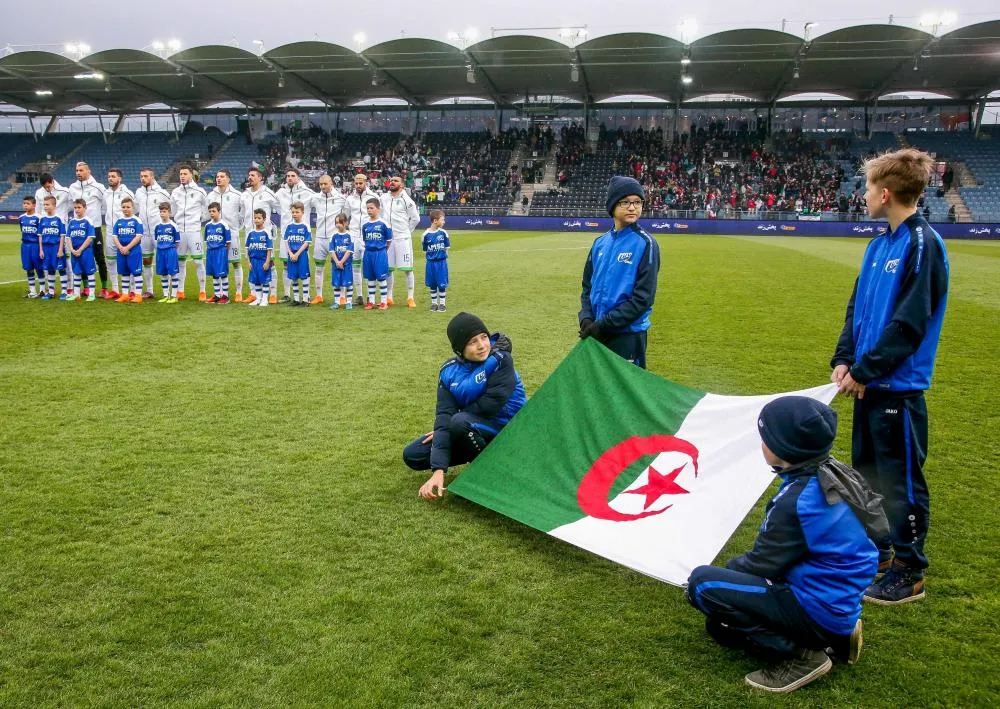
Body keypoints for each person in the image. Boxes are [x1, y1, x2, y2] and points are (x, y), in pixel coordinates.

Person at [687, 396, 886, 693]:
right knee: (719, 628)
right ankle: (837, 638)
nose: (761, 444)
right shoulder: (830, 470)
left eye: (765, 438)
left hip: (819, 604)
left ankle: (802, 656)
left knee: (703, 585)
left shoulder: (798, 499)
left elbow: (762, 563)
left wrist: (725, 573)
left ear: (783, 448)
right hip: (837, 598)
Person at [831, 148, 950, 605]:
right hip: (866, 384)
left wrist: (867, 369)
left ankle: (909, 570)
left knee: (899, 482)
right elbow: (856, 308)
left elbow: (910, 323)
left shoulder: (922, 244)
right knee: (867, 476)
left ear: (885, 194)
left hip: (896, 388)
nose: (862, 196)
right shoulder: (878, 244)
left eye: (866, 188)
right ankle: (879, 553)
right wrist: (845, 358)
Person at [403, 312, 527, 500]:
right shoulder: (449, 371)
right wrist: (438, 470)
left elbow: (489, 406)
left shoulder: (501, 359)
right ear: (459, 349)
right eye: (472, 342)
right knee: (414, 454)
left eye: (484, 337)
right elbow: (444, 415)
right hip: (472, 428)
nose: (482, 345)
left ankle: (494, 471)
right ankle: (483, 456)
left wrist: (452, 425)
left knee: (459, 422)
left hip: (511, 431)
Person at [578, 176, 661, 368]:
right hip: (596, 332)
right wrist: (586, 317)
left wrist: (604, 324)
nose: (632, 207)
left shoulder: (646, 243)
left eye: (637, 202)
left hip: (627, 335)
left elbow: (643, 299)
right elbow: (587, 287)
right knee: (595, 385)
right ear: (613, 205)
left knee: (623, 388)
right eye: (625, 202)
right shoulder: (600, 243)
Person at [68, 162, 110, 298]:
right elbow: (70, 204)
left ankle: (104, 288)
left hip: (94, 227)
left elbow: (105, 206)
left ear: (88, 171)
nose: (78, 173)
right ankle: (86, 288)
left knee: (99, 258)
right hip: (79, 229)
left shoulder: (98, 187)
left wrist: (94, 218)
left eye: (81, 170)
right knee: (80, 257)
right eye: (76, 170)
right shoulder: (72, 188)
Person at [275, 168, 315, 304]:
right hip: (287, 234)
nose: (290, 178)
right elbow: (274, 206)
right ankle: (287, 294)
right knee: (286, 263)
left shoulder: (307, 192)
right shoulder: (280, 193)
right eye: (288, 176)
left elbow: (320, 201)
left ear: (298, 177)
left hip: (302, 236)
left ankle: (306, 296)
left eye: (293, 175)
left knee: (303, 265)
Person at [380, 174, 421, 307]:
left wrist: (407, 231)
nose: (392, 182)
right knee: (388, 269)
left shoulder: (407, 200)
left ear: (402, 185)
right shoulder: (383, 198)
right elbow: (380, 215)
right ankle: (389, 297)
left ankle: (410, 297)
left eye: (396, 181)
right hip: (388, 240)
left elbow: (415, 219)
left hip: (402, 239)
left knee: (408, 269)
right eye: (391, 180)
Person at [240, 167, 279, 303]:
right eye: (249, 175)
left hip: (264, 234)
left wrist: (271, 226)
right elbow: (242, 213)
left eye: (253, 175)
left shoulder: (268, 193)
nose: (250, 177)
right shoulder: (244, 194)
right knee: (252, 263)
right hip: (250, 234)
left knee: (270, 263)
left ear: (260, 177)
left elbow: (280, 209)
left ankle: (273, 294)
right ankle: (254, 294)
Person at [170, 165, 208, 300]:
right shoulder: (175, 192)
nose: (182, 176)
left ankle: (202, 291)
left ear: (191, 175)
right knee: (180, 262)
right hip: (180, 231)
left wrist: (199, 219)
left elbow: (207, 208)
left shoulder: (200, 191)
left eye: (185, 174)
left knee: (198, 262)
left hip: (194, 231)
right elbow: (173, 210)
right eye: (181, 174)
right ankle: (180, 291)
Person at [206, 169, 245, 302]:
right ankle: (219, 294)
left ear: (228, 179)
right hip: (216, 235)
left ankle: (238, 292)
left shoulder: (237, 195)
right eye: (217, 176)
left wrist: (236, 227)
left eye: (222, 177)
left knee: (236, 263)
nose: (219, 179)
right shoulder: (211, 195)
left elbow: (243, 213)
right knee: (218, 264)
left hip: (231, 233)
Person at [134, 167, 171, 299]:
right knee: (146, 261)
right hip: (144, 233)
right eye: (141, 176)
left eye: (145, 176)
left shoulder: (161, 192)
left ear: (152, 177)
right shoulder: (138, 192)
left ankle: (168, 291)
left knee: (163, 261)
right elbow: (135, 208)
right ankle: (150, 290)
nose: (143, 179)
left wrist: (166, 223)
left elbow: (172, 206)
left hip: (159, 233)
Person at [311, 173, 346, 305]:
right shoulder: (315, 198)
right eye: (321, 184)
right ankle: (319, 295)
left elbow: (346, 215)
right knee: (318, 267)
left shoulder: (341, 198)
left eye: (325, 184)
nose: (323, 186)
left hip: (335, 238)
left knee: (339, 266)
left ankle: (342, 296)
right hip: (320, 237)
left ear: (331, 183)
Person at [345, 174, 379, 304]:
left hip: (368, 237)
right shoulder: (350, 198)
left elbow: (379, 215)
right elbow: (345, 216)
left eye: (361, 183)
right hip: (353, 236)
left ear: (366, 183)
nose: (358, 185)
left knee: (369, 267)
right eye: (356, 183)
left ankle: (371, 297)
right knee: (355, 267)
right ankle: (359, 296)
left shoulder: (373, 197)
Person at [103, 167, 134, 299]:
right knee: (110, 260)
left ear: (119, 178)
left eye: (113, 176)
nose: (110, 178)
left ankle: (132, 290)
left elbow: (134, 208)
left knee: (128, 259)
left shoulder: (127, 192)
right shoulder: (106, 193)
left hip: (124, 229)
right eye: (109, 176)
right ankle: (115, 289)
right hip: (110, 229)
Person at [110, 197, 144, 303]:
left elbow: (138, 236)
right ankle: (125, 294)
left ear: (133, 207)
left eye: (128, 207)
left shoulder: (137, 220)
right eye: (123, 207)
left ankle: (138, 295)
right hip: (121, 251)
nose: (125, 209)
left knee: (136, 273)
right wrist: (121, 247)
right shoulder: (119, 221)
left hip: (134, 250)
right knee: (124, 273)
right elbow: (114, 236)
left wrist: (127, 247)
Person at [361, 197, 392, 310]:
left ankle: (384, 302)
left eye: (371, 208)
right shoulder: (365, 224)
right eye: (368, 208)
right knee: (370, 278)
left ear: (378, 209)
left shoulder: (384, 223)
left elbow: (389, 240)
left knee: (381, 278)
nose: (369, 210)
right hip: (368, 253)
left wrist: (383, 250)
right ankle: (371, 301)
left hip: (380, 253)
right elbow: (365, 239)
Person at [38, 195, 69, 300]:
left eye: (47, 205)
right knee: (49, 269)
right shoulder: (42, 219)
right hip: (46, 248)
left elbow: (62, 235)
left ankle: (64, 292)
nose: (45, 207)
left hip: (56, 247)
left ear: (54, 205)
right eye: (44, 205)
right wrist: (41, 250)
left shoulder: (59, 218)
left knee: (61, 269)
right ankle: (51, 292)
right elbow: (40, 236)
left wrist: (60, 249)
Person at [67, 198, 98, 301]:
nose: (77, 210)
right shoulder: (72, 222)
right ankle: (76, 294)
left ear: (85, 208)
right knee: (76, 272)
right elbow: (68, 237)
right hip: (74, 252)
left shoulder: (88, 221)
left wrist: (80, 250)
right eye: (75, 208)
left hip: (86, 252)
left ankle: (92, 294)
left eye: (79, 207)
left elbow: (90, 238)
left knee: (89, 272)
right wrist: (72, 249)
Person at [284, 201, 312, 306]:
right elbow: (286, 240)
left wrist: (297, 254)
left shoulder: (305, 226)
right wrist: (291, 253)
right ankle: (296, 299)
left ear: (302, 212)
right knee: (293, 277)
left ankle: (305, 300)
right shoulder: (289, 226)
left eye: (297, 212)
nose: (294, 214)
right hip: (291, 255)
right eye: (293, 212)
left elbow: (307, 242)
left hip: (302, 255)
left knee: (304, 277)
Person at [421, 209, 450, 312]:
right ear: (435, 221)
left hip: (441, 263)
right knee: (432, 284)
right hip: (431, 264)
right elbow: (425, 250)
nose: (444, 222)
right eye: (442, 220)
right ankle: (434, 303)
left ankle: (442, 304)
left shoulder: (443, 233)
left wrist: (442, 256)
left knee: (442, 283)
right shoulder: (425, 235)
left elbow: (446, 248)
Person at [204, 202, 232, 304]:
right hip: (210, 252)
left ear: (219, 212)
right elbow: (206, 240)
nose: (212, 213)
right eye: (210, 211)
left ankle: (225, 296)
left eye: (214, 211)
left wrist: (224, 253)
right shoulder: (207, 225)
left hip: (221, 252)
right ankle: (217, 295)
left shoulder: (224, 225)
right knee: (214, 274)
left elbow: (228, 242)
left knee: (223, 274)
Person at [153, 203, 182, 303]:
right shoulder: (157, 226)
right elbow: (157, 239)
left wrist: (172, 251)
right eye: (161, 212)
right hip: (160, 252)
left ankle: (174, 296)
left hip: (170, 251)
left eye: (164, 211)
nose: (162, 214)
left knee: (173, 273)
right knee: (163, 273)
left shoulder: (174, 226)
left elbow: (177, 242)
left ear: (169, 212)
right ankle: (166, 295)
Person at [245, 208, 274, 307]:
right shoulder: (250, 233)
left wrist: (267, 262)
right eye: (255, 218)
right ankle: (258, 299)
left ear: (264, 219)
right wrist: (248, 262)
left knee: (264, 280)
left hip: (263, 260)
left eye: (259, 218)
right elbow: (247, 249)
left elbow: (269, 249)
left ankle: (265, 299)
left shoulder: (266, 232)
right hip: (253, 261)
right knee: (256, 280)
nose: (256, 220)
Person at [18, 197, 43, 299]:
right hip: (25, 246)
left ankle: (42, 290)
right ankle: (32, 291)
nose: (25, 205)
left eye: (28, 203)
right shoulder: (21, 218)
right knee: (28, 268)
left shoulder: (39, 218)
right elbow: (22, 230)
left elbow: (40, 234)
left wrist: (41, 249)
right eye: (24, 203)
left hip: (35, 245)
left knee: (39, 268)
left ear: (34, 205)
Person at [329, 213, 354, 310]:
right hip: (336, 264)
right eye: (336, 223)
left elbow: (349, 251)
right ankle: (337, 302)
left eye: (340, 222)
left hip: (346, 264)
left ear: (346, 222)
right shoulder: (333, 236)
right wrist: (337, 262)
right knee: (336, 283)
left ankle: (349, 302)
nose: (338, 225)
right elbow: (331, 250)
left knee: (348, 283)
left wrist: (342, 262)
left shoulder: (350, 235)